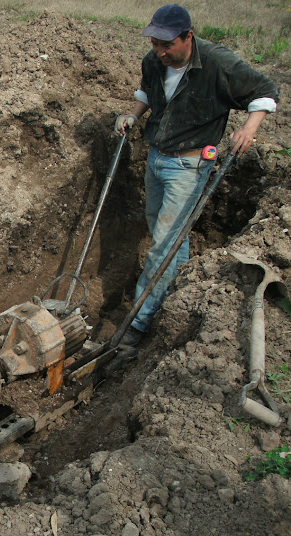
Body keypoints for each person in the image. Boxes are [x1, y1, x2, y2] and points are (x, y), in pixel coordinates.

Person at [114, 4, 278, 347]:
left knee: (164, 243)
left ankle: (137, 325)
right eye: (155, 44)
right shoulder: (154, 61)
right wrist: (132, 115)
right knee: (167, 234)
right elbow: (147, 92)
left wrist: (248, 128)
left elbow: (264, 92)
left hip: (189, 165)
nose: (159, 52)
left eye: (167, 45)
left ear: (188, 36)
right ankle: (178, 293)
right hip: (158, 158)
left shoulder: (218, 62)